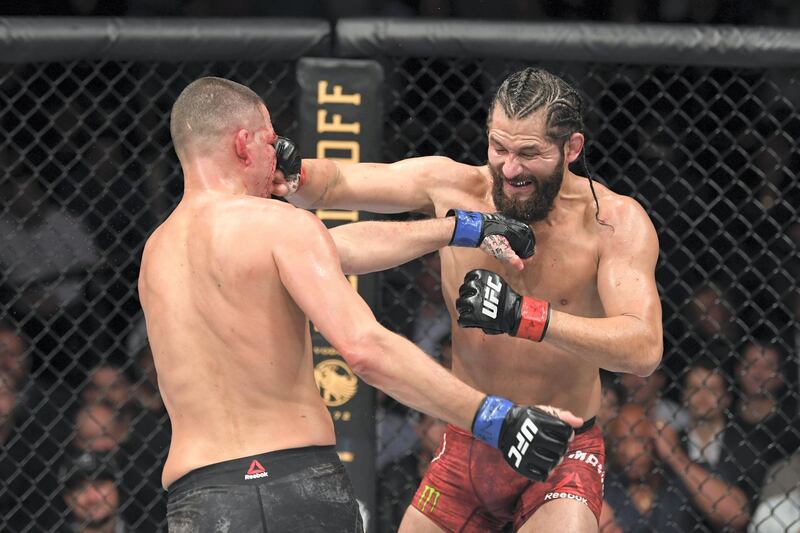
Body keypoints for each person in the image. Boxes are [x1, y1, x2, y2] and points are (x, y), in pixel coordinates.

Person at [139, 76, 581, 532]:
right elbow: (364, 349)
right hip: (293, 487)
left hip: (199, 501)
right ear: (243, 144)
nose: (281, 157)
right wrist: (498, 419)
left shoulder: (157, 253)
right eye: (273, 142)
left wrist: (460, 228)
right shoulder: (277, 225)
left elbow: (333, 249)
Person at [277, 67, 663, 532]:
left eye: (529, 153)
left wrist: (526, 316)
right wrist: (294, 170)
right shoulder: (453, 188)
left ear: (572, 149)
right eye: (499, 148)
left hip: (561, 447)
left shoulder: (613, 222)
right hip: (470, 439)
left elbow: (643, 349)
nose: (510, 168)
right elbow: (335, 184)